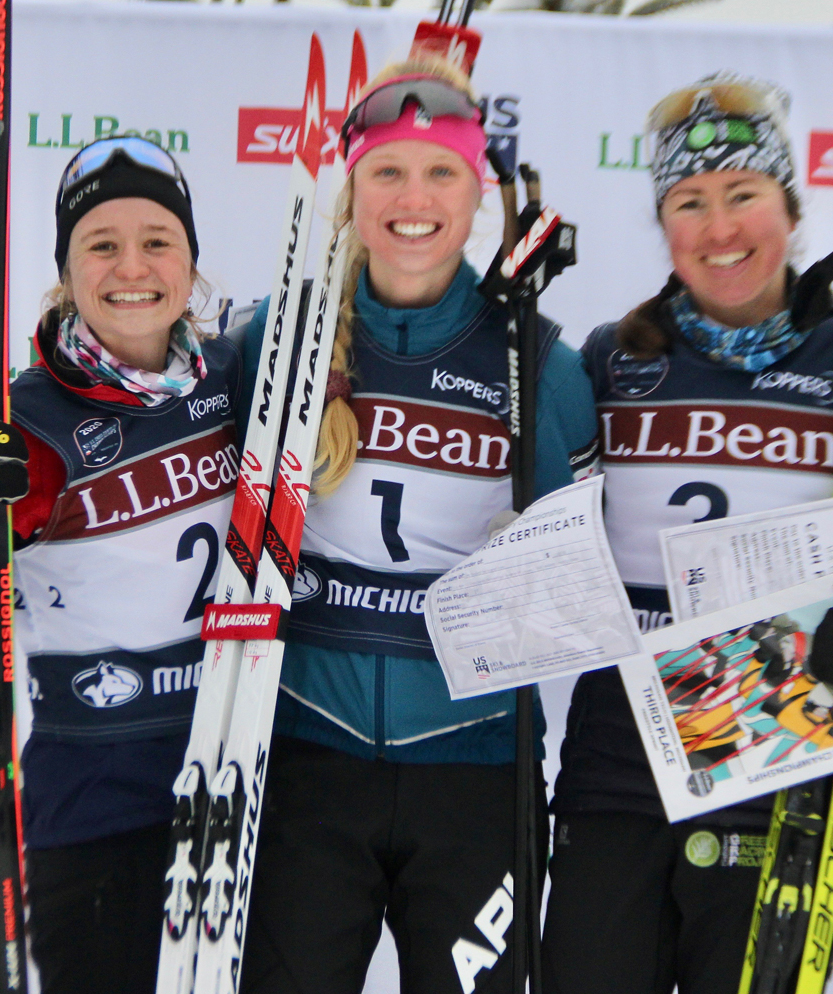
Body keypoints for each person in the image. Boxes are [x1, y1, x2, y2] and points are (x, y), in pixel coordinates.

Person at [542, 73, 833, 993]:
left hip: (784, 760)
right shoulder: (610, 360)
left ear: (789, 209)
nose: (720, 230)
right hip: (616, 772)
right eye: (689, 202)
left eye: (744, 195)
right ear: (663, 222)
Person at [231, 57, 598, 994]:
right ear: (352, 189)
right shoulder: (277, 338)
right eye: (387, 170)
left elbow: (578, 583)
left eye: (442, 172)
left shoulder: (540, 364)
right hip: (307, 755)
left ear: (481, 196)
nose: (413, 197)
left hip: (476, 766)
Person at [0, 137, 243, 994]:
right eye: (100, 244)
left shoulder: (243, 374)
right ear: (66, 269)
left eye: (157, 240)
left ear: (190, 259)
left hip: (246, 791)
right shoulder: (25, 428)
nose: (131, 266)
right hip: (97, 804)